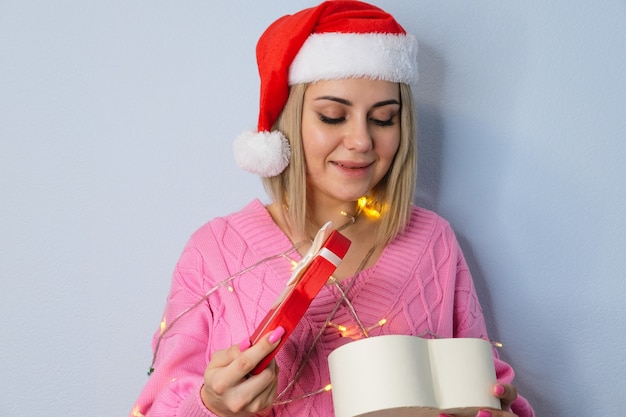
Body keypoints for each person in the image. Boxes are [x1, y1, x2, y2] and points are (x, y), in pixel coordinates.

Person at [130, 2, 535, 417]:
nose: (360, 140)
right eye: (333, 115)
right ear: (290, 121)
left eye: (382, 119)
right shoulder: (215, 251)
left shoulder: (432, 241)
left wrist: (499, 410)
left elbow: (490, 387)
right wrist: (210, 406)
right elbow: (155, 406)